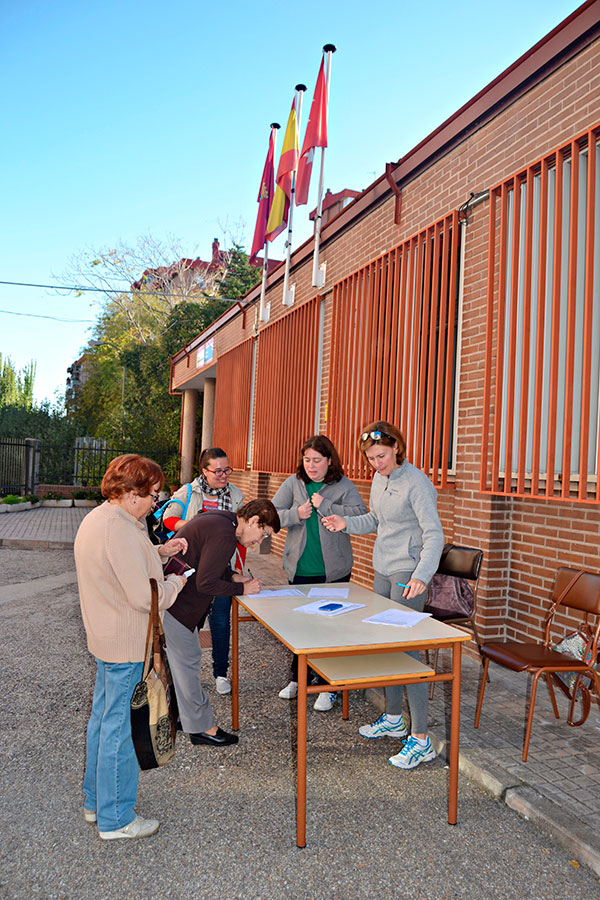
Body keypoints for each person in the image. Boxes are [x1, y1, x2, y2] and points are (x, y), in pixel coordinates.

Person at [74, 454, 189, 840]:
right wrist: (177, 584)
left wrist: (159, 553)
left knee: (103, 723)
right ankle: (117, 818)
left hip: (107, 638)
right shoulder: (121, 529)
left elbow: (118, 566)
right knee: (120, 731)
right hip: (126, 642)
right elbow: (144, 596)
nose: (156, 501)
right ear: (132, 492)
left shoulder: (104, 519)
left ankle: (96, 803)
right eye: (153, 493)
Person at [322, 422, 444, 769]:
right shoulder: (381, 479)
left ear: (396, 449)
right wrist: (346, 523)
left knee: (406, 651)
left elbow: (434, 534)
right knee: (386, 646)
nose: (377, 463)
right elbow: (376, 519)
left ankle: (421, 739)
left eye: (382, 456)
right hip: (383, 568)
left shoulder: (416, 482)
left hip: (408, 573)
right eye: (372, 458)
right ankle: (394, 718)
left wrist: (422, 575)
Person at [162, 498, 281, 746]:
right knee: (188, 664)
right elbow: (206, 582)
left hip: (176, 602)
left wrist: (235, 576)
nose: (259, 542)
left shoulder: (223, 521)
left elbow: (212, 565)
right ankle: (202, 727)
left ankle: (186, 717)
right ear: (254, 521)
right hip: (178, 606)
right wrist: (242, 589)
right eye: (263, 534)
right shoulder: (225, 535)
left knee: (182, 664)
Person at [272, 435, 367, 710]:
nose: (311, 466)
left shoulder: (342, 485)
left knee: (329, 627)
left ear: (329, 461)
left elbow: (360, 513)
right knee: (300, 626)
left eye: (317, 460)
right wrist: (295, 513)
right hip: (299, 568)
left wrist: (327, 505)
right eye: (307, 460)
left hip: (333, 571)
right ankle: (298, 679)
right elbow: (272, 514)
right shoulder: (293, 483)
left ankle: (327, 686)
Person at [161, 448, 244, 696]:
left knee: (220, 622)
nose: (223, 475)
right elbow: (168, 518)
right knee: (191, 622)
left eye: (226, 470)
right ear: (204, 471)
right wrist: (196, 529)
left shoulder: (236, 495)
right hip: (192, 569)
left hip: (222, 568)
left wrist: (237, 569)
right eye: (217, 470)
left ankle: (220, 674)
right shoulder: (188, 491)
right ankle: (186, 676)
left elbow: (241, 535)